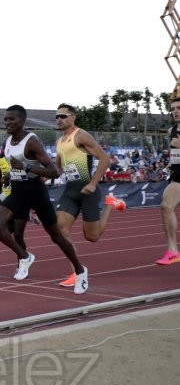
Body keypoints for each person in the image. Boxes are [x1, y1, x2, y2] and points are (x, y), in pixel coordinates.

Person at [0, 105, 88, 294]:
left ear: (22, 121)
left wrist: (25, 168)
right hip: (18, 192)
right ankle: (24, 256)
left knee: (56, 236)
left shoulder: (31, 141)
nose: (7, 123)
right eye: (6, 119)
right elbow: (13, 165)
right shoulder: (8, 141)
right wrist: (10, 174)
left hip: (35, 192)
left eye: (11, 119)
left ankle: (81, 271)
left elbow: (53, 171)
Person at [53, 103, 126, 286]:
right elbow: (59, 168)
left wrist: (93, 183)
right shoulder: (60, 141)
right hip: (70, 191)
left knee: (92, 237)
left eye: (63, 116)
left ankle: (110, 203)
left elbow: (104, 159)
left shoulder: (81, 135)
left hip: (87, 191)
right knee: (61, 230)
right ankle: (77, 272)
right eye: (57, 116)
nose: (59, 119)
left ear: (73, 117)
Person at [155, 96, 180, 265]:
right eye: (173, 109)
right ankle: (173, 250)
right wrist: (170, 163)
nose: (175, 112)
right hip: (178, 176)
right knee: (166, 206)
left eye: (179, 108)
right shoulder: (172, 131)